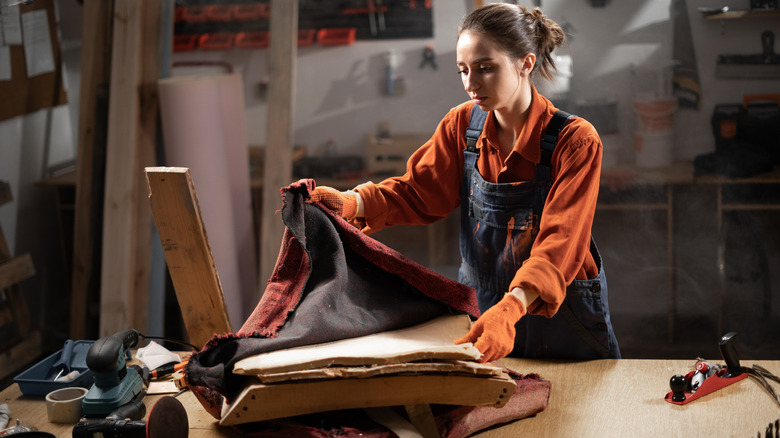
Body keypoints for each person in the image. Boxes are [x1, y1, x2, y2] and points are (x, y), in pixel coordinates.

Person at [308, 3, 620, 362]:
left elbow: (560, 243)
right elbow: (419, 191)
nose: (471, 84)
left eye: (485, 69)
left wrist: (512, 309)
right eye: (463, 70)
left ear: (525, 63)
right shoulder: (462, 127)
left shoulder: (575, 140)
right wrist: (354, 203)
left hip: (562, 317)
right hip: (483, 312)